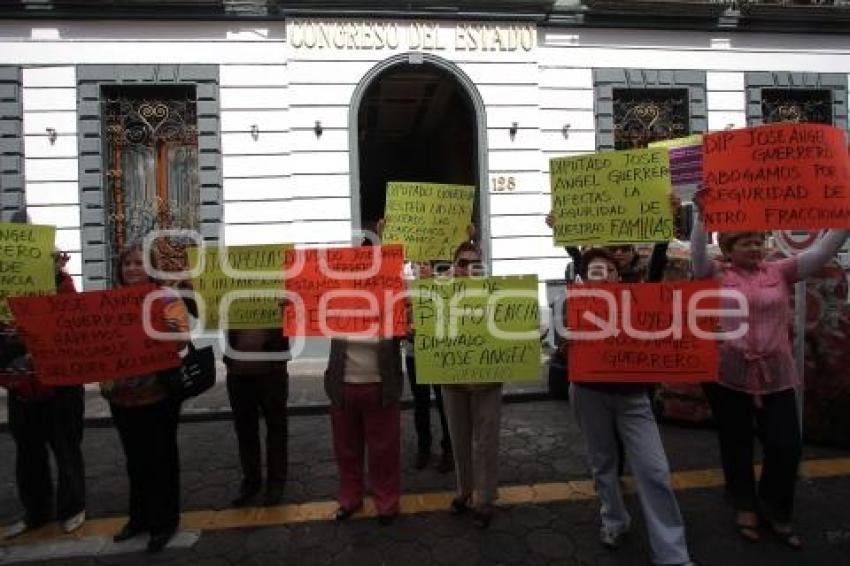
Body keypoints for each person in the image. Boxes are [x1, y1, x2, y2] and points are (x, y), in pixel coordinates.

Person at [691, 206, 849, 549]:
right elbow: (698, 255)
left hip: (776, 376)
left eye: (758, 241)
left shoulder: (781, 271)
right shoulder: (715, 274)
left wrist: (843, 217)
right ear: (729, 248)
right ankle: (744, 505)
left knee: (786, 445)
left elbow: (824, 251)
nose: (754, 247)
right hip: (728, 376)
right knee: (737, 445)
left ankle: (776, 507)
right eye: (745, 242)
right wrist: (703, 216)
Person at [569, 247, 695, 566]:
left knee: (654, 470)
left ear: (618, 273)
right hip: (588, 394)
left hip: (633, 398)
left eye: (609, 270)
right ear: (585, 276)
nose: (604, 275)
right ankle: (613, 520)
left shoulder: (639, 299)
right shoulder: (573, 303)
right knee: (603, 463)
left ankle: (672, 553)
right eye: (595, 270)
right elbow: (558, 343)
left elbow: (656, 272)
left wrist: (662, 236)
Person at [101, 243, 189, 553]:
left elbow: (182, 339)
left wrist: (152, 334)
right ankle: (137, 518)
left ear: (151, 267)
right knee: (135, 461)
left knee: (161, 461)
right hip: (122, 398)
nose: (132, 268)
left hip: (159, 396)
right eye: (127, 263)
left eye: (139, 262)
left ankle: (164, 522)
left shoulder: (167, 298)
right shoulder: (108, 302)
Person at [2, 217, 86, 539]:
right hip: (21, 385)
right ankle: (36, 511)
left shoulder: (61, 282)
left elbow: (70, 323)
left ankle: (73, 507)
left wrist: (53, 275)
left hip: (59, 387)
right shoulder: (4, 285)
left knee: (66, 449)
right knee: (28, 455)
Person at [440, 241, 503, 529]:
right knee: (459, 439)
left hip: (487, 381)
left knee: (486, 441)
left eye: (474, 263)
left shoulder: (497, 294)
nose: (467, 268)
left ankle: (485, 499)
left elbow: (510, 328)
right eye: (462, 263)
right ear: (454, 266)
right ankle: (464, 491)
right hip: (452, 382)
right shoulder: (436, 295)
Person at [224, 328, 290, 507]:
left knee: (276, 428)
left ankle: (276, 481)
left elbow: (300, 315)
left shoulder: (281, 299)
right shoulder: (229, 299)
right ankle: (251, 481)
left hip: (272, 371)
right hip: (238, 372)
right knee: (245, 430)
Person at [405, 261, 453, 472]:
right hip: (413, 354)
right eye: (418, 264)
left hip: (439, 352)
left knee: (445, 403)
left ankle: (449, 450)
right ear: (412, 266)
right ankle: (424, 447)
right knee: (420, 403)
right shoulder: (405, 287)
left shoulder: (444, 283)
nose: (421, 267)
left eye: (425, 263)